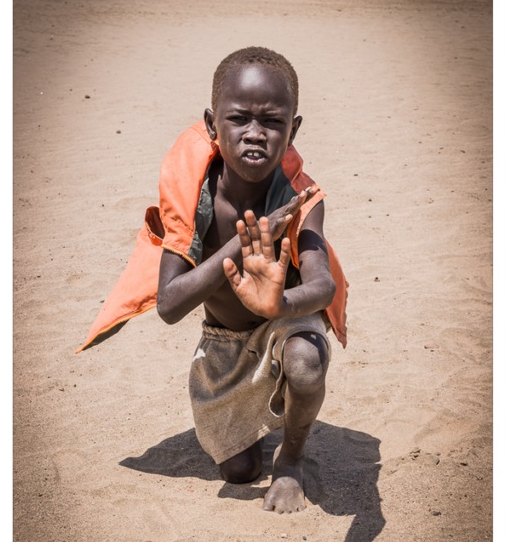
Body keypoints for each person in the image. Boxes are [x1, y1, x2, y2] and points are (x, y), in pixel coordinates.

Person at [77, 46, 348, 514]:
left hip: (284, 326)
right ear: (211, 124)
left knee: (306, 360)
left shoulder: (300, 200)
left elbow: (322, 285)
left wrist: (279, 307)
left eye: (273, 122)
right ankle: (255, 419)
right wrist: (242, 245)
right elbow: (170, 305)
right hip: (223, 343)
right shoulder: (193, 199)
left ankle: (292, 459)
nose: (255, 135)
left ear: (294, 129)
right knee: (238, 471)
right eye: (239, 119)